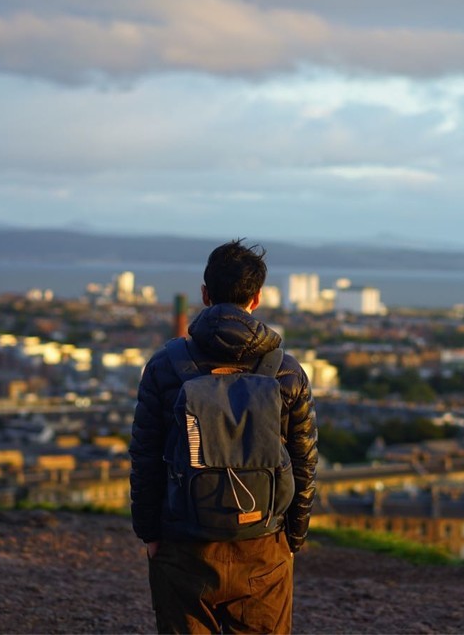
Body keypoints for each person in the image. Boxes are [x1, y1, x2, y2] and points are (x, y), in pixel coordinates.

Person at [130, 240, 319, 634]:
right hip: (263, 542)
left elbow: (145, 456)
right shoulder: (286, 372)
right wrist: (293, 538)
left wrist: (150, 534)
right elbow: (304, 462)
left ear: (204, 294)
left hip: (183, 541)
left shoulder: (165, 365)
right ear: (257, 298)